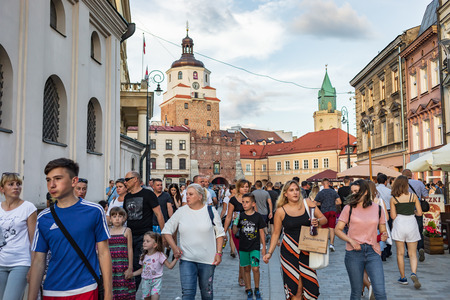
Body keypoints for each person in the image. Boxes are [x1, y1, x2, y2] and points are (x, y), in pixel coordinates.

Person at [29, 158, 112, 299]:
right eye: (48, 180)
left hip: (86, 288)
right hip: (52, 290)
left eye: (58, 179)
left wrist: (109, 293)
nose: (52, 185)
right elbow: (38, 260)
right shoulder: (43, 217)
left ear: (74, 181)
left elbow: (103, 253)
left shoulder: (94, 211)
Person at [263, 180, 325, 299]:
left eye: (297, 190)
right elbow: (276, 233)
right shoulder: (281, 211)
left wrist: (317, 221)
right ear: (285, 194)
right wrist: (269, 252)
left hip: (307, 249)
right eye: (291, 190)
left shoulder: (308, 203)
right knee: (295, 288)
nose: (295, 192)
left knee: (310, 287)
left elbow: (324, 219)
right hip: (289, 251)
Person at [162, 184, 225, 300]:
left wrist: (219, 253)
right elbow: (166, 230)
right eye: (186, 194)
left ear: (200, 196)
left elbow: (220, 234)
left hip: (208, 260)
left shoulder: (210, 211)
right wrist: (174, 247)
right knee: (187, 295)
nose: (187, 197)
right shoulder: (181, 212)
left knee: (207, 294)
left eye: (190, 194)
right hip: (187, 259)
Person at [335, 179, 388, 300]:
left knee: (380, 292)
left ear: (365, 192)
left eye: (356, 191)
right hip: (353, 253)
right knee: (356, 292)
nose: (353, 194)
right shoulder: (349, 208)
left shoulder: (378, 208)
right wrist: (351, 241)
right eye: (352, 191)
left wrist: (383, 235)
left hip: (373, 252)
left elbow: (382, 230)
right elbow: (338, 230)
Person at [123, 171, 165, 291]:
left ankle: (131, 292)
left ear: (135, 179)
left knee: (137, 265)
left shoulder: (148, 194)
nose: (125, 182)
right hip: (129, 235)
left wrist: (163, 235)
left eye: (127, 179)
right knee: (127, 264)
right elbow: (126, 216)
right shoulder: (127, 196)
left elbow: (159, 214)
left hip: (144, 236)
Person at [0, 172, 37, 300]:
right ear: (2, 189)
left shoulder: (28, 207)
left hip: (20, 263)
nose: (16, 187)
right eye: (11, 184)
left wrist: (34, 267)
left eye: (19, 184)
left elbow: (34, 240)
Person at [390, 175, 423, 288]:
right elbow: (420, 213)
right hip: (411, 223)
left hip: (399, 223)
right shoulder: (413, 196)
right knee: (412, 253)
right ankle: (413, 273)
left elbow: (393, 216)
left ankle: (403, 277)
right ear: (406, 185)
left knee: (400, 253)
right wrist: (412, 211)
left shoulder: (393, 199)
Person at [232, 193, 266, 300]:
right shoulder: (241, 216)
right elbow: (234, 231)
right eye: (243, 202)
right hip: (243, 247)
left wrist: (264, 246)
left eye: (247, 202)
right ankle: (249, 289)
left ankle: (257, 288)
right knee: (246, 269)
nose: (244, 204)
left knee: (255, 268)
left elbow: (261, 232)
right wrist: (235, 220)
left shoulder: (258, 216)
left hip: (254, 247)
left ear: (253, 204)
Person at [131, 232, 177, 300]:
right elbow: (142, 269)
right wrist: (132, 274)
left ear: (155, 245)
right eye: (144, 241)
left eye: (147, 241)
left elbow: (170, 266)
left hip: (156, 282)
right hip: (145, 282)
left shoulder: (160, 255)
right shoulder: (143, 256)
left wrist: (176, 258)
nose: (144, 242)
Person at [223, 179, 250, 287]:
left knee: (246, 256)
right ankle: (242, 277)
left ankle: (243, 276)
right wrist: (224, 232)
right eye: (243, 186)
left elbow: (256, 213)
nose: (245, 188)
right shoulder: (233, 200)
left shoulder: (251, 199)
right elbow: (229, 216)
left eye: (247, 186)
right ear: (238, 187)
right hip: (237, 230)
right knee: (242, 255)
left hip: (249, 230)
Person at [109, 207, 135, 298]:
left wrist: (130, 267)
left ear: (124, 218)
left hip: (123, 265)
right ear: (110, 218)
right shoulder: (108, 231)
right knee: (112, 291)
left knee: (124, 291)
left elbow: (130, 249)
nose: (117, 218)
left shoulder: (127, 230)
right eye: (114, 216)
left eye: (120, 216)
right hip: (111, 266)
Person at [402, 169, 428, 262]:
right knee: (419, 230)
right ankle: (420, 248)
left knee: (406, 231)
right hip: (418, 209)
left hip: (405, 210)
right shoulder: (419, 183)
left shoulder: (402, 184)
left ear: (403, 175)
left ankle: (409, 252)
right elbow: (426, 195)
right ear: (411, 175)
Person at [314, 178, 341, 251]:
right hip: (332, 211)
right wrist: (332, 203)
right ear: (329, 183)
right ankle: (332, 244)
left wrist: (322, 203)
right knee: (332, 228)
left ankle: (325, 244)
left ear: (322, 184)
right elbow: (339, 202)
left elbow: (314, 203)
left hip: (324, 211)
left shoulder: (320, 193)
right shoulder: (333, 192)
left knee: (325, 229)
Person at [376, 173, 393, 259]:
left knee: (379, 231)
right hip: (388, 212)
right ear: (386, 182)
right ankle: (387, 251)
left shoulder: (375, 190)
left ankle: (381, 250)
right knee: (388, 232)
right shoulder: (389, 191)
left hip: (376, 213)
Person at [219, 184, 237, 258]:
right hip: (228, 217)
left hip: (236, 218)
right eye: (235, 189)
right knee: (231, 235)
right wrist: (220, 218)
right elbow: (224, 209)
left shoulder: (239, 198)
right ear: (231, 190)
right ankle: (232, 251)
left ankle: (233, 250)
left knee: (234, 235)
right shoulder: (226, 199)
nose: (236, 190)